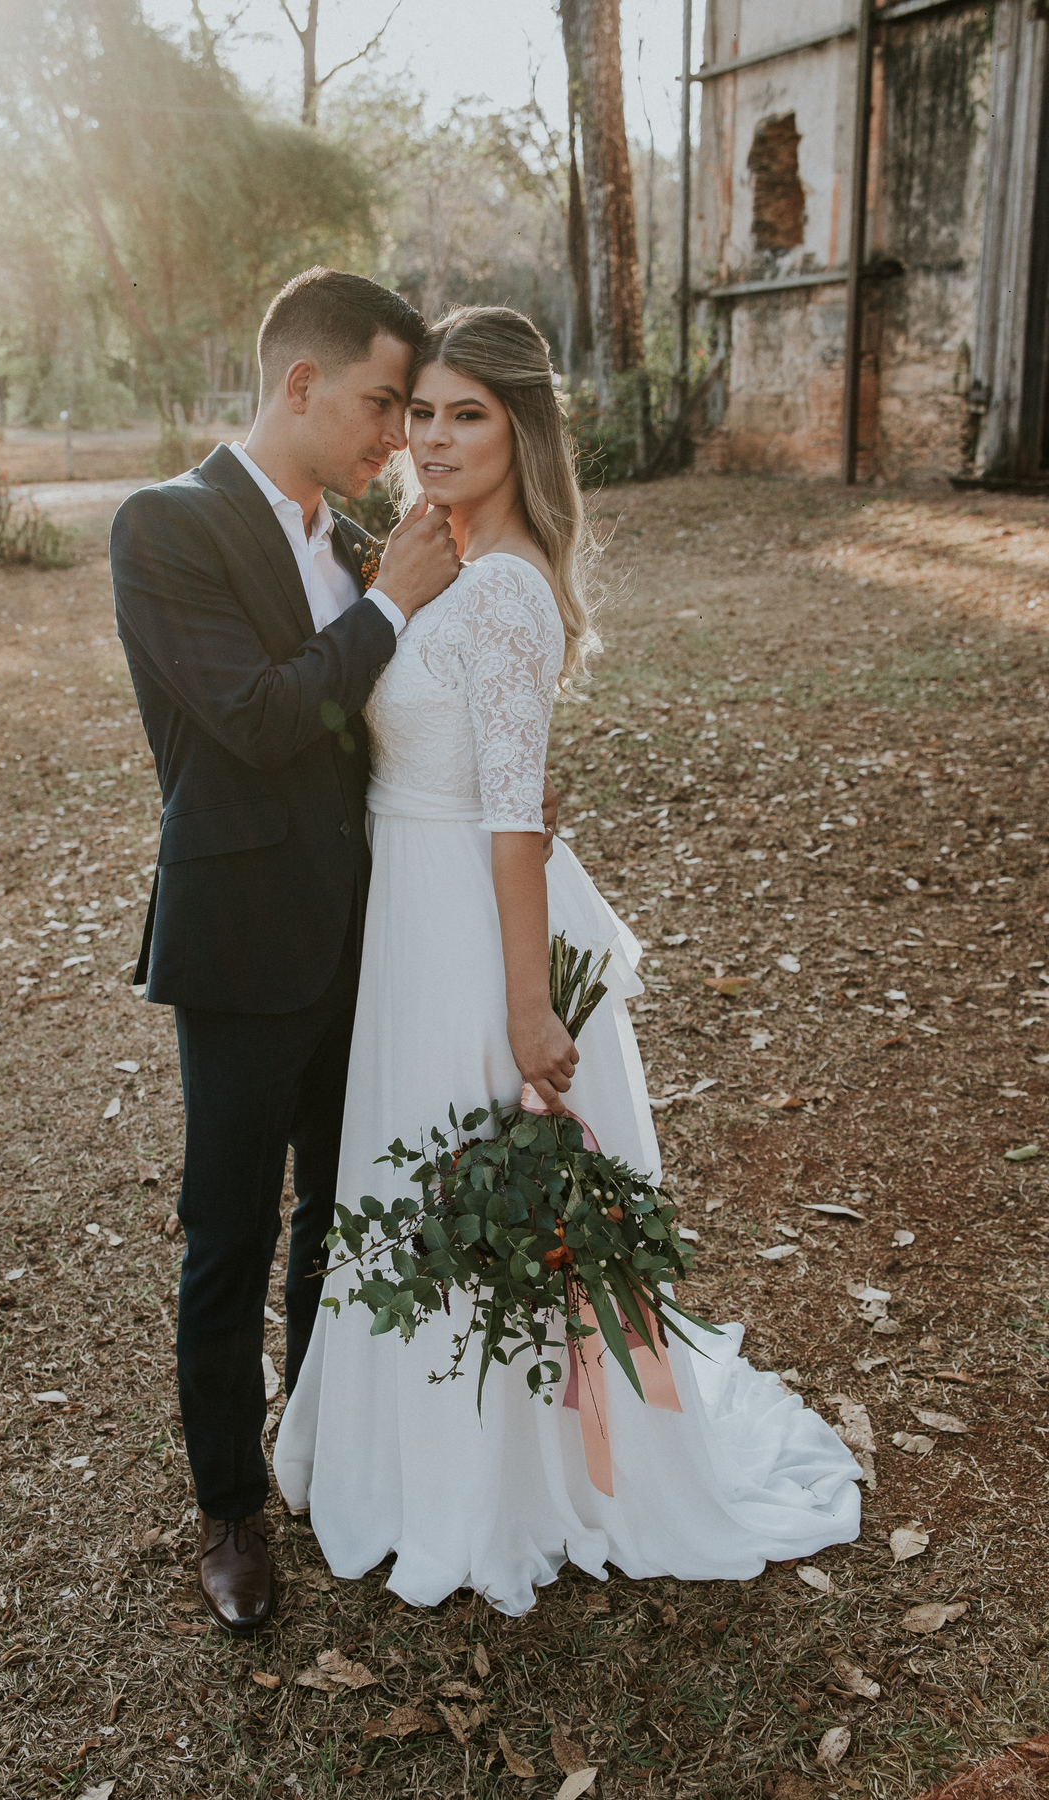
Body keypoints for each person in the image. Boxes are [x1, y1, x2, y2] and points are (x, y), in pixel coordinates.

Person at [274, 305, 862, 1617]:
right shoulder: (447, 560)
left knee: (460, 1176)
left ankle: (499, 1484)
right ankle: (412, 1453)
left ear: (523, 428)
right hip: (408, 914)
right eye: (418, 411)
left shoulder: (507, 590)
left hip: (473, 933)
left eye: (465, 413)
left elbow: (515, 812)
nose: (431, 436)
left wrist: (530, 1005)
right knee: (404, 1170)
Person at [111, 268, 535, 1638]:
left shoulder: (358, 541)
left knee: (341, 1212)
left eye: (413, 411)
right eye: (378, 404)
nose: (393, 438)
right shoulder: (165, 527)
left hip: (369, 935)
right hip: (240, 946)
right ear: (300, 383)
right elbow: (249, 717)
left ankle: (313, 1438)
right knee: (230, 1232)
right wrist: (392, 610)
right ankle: (229, 1507)